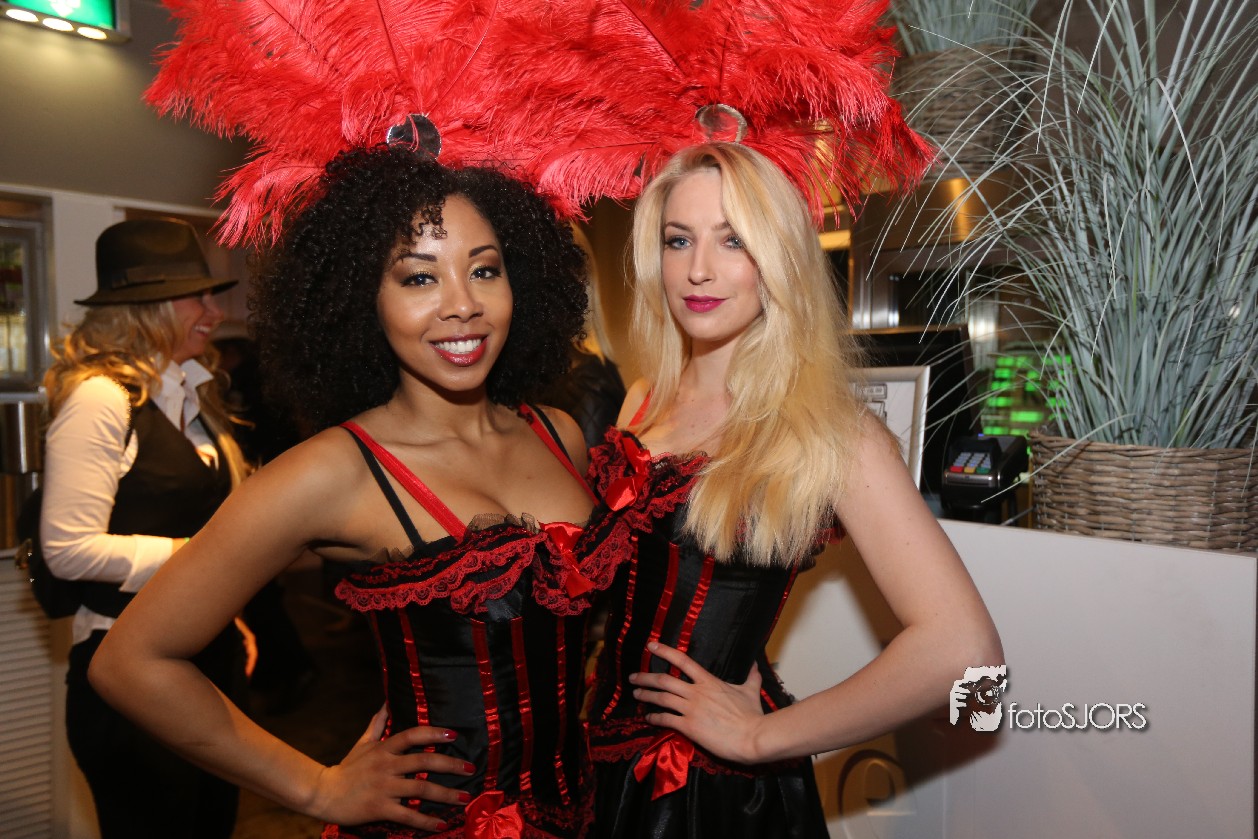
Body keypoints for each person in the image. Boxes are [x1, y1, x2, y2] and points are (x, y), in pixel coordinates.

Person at [90, 144, 614, 837]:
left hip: (587, 811)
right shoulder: (334, 470)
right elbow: (130, 662)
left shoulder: (557, 434)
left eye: (485, 269)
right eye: (418, 277)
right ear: (361, 296)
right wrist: (316, 787)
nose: (463, 305)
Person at [584, 143, 1003, 837]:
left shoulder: (832, 432)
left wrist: (760, 737)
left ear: (778, 259)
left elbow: (968, 651)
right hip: (599, 767)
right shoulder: (642, 399)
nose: (698, 269)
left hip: (706, 793)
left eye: (733, 241)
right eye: (679, 240)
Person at [40, 216, 249, 838]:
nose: (215, 312)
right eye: (198, 297)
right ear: (148, 308)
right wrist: (197, 559)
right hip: (128, 669)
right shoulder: (101, 399)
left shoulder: (190, 393)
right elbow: (67, 549)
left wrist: (227, 617)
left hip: (202, 657)